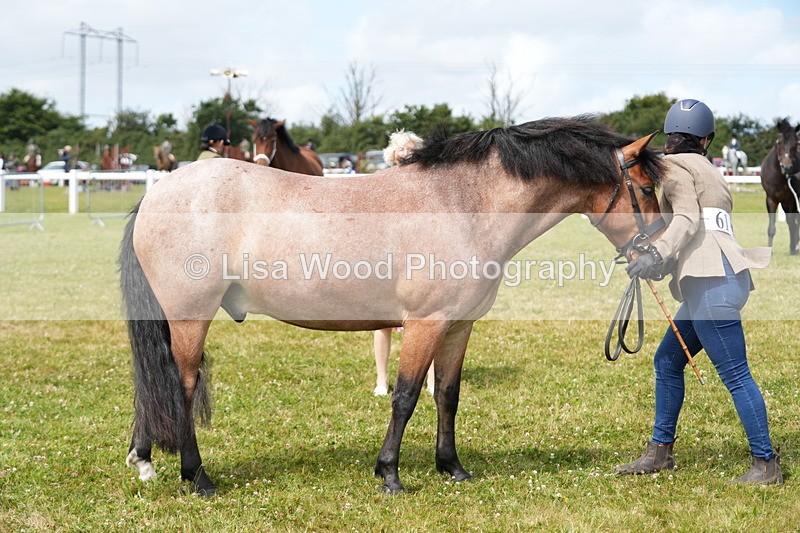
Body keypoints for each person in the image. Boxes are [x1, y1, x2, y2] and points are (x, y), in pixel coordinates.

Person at [616, 99, 781, 484]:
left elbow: (688, 219)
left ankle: (765, 463)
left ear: (670, 134)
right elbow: (703, 232)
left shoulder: (673, 165)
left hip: (711, 285)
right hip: (722, 279)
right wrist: (659, 262)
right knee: (668, 362)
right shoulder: (712, 169)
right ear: (705, 139)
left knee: (736, 375)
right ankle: (660, 452)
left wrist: (656, 253)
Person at [372, 130, 435, 396]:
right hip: (388, 259)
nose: (406, 152)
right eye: (401, 148)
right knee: (381, 323)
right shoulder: (380, 182)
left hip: (419, 259)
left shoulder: (429, 184)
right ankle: (382, 381)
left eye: (411, 148)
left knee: (429, 322)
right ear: (392, 154)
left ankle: (432, 383)